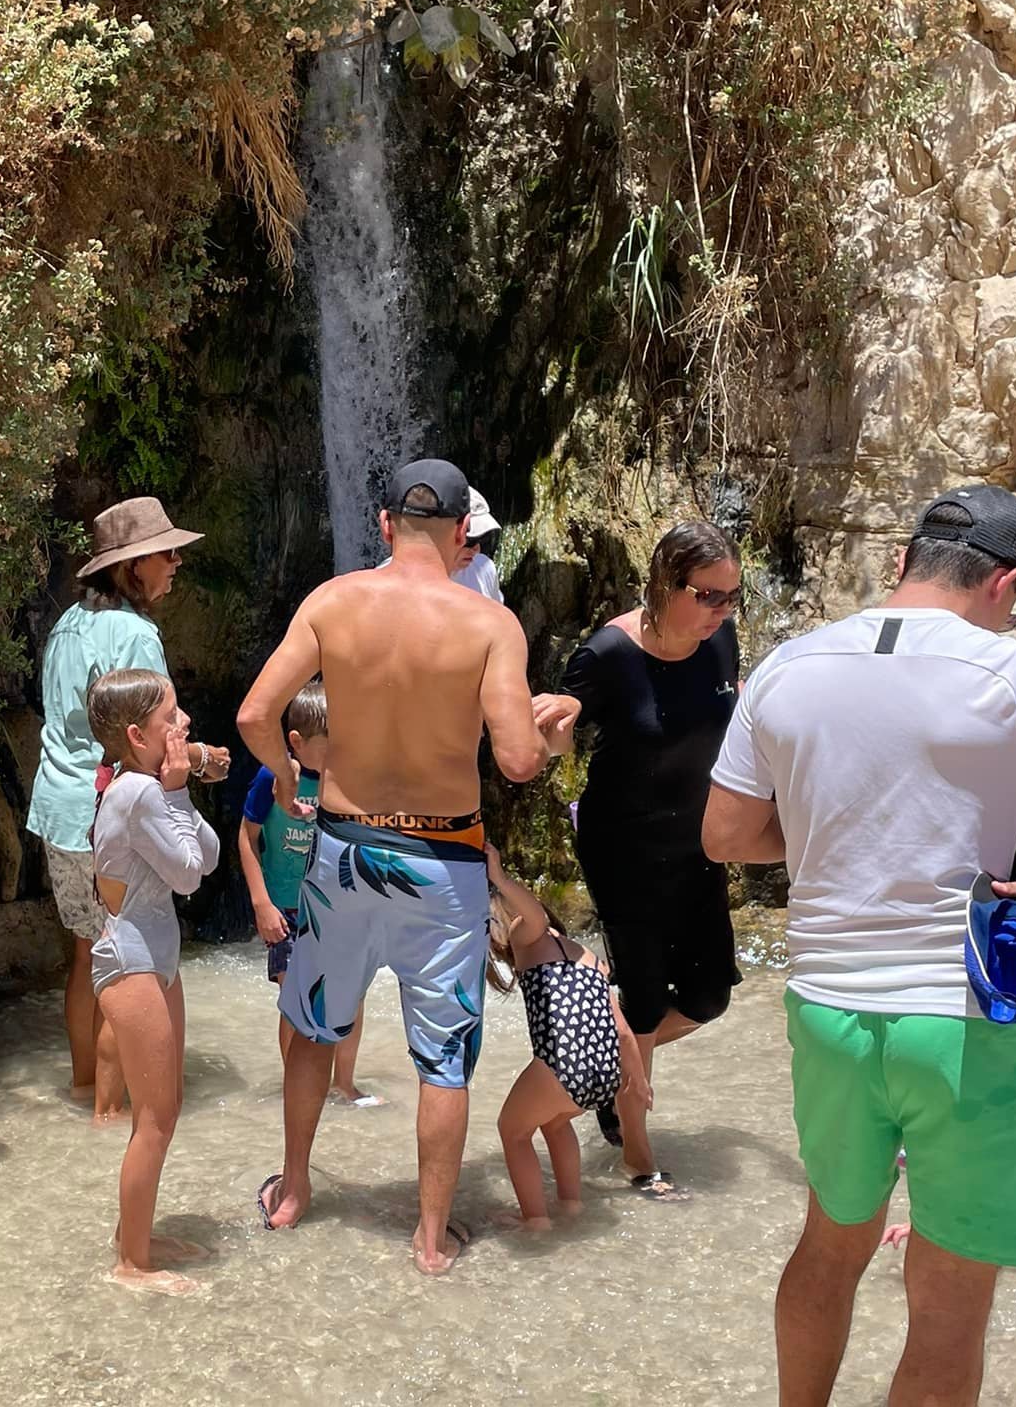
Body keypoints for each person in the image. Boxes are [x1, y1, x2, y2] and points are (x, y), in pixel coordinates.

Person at [703, 483, 1016, 1407]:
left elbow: (726, 832)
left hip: (829, 1003)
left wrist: (846, 829)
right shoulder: (1015, 672)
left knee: (831, 1240)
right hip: (967, 1020)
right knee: (949, 1291)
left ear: (902, 556)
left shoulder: (792, 663)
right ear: (1009, 585)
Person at [238, 458, 549, 1275]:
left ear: (382, 526)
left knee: (312, 1028)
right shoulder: (490, 626)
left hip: (343, 851)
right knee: (443, 1062)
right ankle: (431, 1237)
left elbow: (254, 714)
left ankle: (297, 1190)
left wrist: (287, 778)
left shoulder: (333, 602)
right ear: (459, 535)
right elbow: (517, 760)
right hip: (444, 866)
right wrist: (552, 732)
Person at [533, 520, 742, 1199]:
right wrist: (558, 722)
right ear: (664, 583)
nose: (722, 611)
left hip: (699, 839)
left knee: (710, 995)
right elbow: (564, 736)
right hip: (624, 844)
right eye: (708, 596)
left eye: (733, 598)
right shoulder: (608, 655)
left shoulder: (721, 642)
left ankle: (611, 1055)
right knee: (647, 1000)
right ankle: (637, 1155)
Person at [26, 497, 229, 1123]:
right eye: (166, 554)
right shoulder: (137, 634)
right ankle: (119, 1118)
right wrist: (201, 760)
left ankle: (87, 1090)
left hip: (59, 808)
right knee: (130, 966)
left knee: (89, 953)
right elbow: (151, 739)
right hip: (110, 812)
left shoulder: (64, 625)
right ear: (130, 566)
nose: (175, 565)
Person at [87, 668, 220, 1295]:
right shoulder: (139, 795)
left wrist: (180, 791)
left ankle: (133, 1236)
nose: (185, 724)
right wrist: (176, 791)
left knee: (161, 1110)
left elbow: (209, 853)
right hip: (131, 959)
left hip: (151, 957)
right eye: (172, 718)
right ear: (139, 735)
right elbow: (191, 876)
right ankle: (131, 1266)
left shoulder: (141, 789)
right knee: (157, 1119)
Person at [484, 843, 649, 1232]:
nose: (491, 935)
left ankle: (535, 1220)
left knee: (512, 1131)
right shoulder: (585, 956)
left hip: (562, 1066)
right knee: (556, 1124)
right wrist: (637, 1081)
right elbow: (623, 1032)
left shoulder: (528, 938)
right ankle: (571, 1205)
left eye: (490, 923)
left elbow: (533, 915)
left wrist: (499, 878)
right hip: (603, 1074)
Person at [238, 680, 379, 1108]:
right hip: (285, 907)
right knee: (295, 1002)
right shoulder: (275, 777)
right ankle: (295, 1085)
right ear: (296, 742)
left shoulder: (344, 778)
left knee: (352, 996)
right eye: (328, 745)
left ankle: (344, 1083)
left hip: (338, 906)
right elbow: (246, 837)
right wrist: (261, 902)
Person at [453, 488, 502, 601]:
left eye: (482, 538)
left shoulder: (485, 567)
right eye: (470, 540)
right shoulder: (413, 581)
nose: (477, 549)